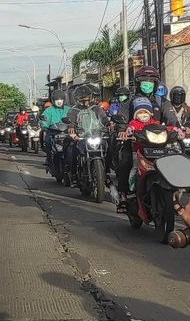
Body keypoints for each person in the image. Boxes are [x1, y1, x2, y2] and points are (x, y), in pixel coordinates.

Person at [117, 66, 179, 204]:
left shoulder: (163, 102)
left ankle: (175, 193)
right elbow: (122, 117)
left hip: (162, 142)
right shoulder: (129, 102)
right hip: (136, 142)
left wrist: (180, 130)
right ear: (138, 84)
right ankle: (125, 192)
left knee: (179, 157)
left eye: (151, 81)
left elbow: (172, 118)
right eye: (144, 81)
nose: (148, 84)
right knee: (126, 159)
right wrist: (122, 129)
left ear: (156, 84)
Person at [123, 97, 181, 213]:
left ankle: (174, 198)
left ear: (150, 113)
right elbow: (130, 128)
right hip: (139, 152)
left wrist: (175, 129)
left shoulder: (155, 123)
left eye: (145, 112)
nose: (143, 115)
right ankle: (132, 187)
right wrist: (128, 131)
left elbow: (165, 128)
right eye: (140, 112)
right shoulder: (134, 123)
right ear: (136, 114)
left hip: (157, 152)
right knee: (135, 168)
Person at [66, 84, 110, 183]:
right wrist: (71, 127)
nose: (84, 102)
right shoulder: (73, 110)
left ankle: (106, 172)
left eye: (86, 99)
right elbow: (70, 120)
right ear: (77, 99)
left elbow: (104, 118)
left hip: (96, 136)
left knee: (109, 147)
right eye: (81, 100)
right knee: (72, 150)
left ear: (90, 98)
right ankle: (73, 174)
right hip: (81, 138)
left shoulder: (97, 108)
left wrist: (108, 124)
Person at [40, 90, 71, 163]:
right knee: (48, 141)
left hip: (67, 133)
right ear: (53, 100)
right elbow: (44, 119)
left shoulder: (69, 109)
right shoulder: (49, 110)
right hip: (53, 132)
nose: (59, 101)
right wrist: (44, 126)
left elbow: (75, 118)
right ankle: (49, 159)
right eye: (57, 99)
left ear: (64, 100)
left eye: (61, 99)